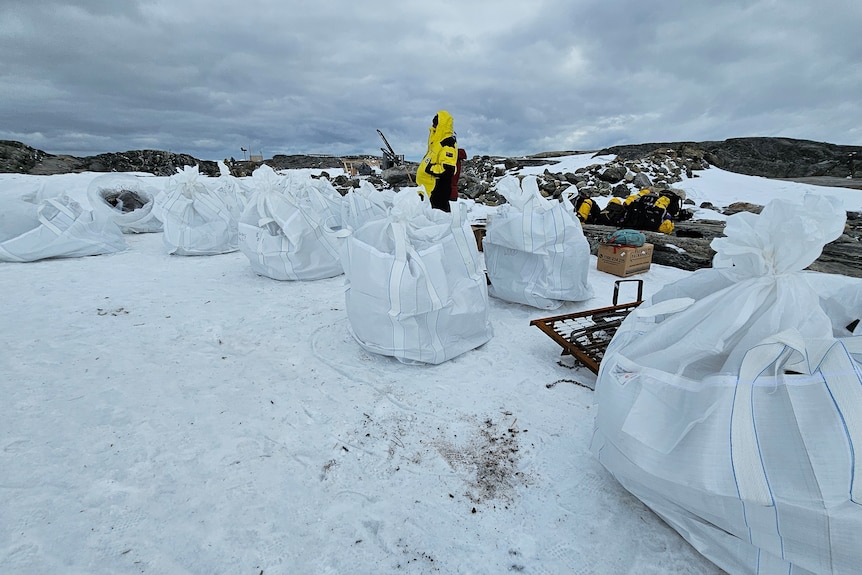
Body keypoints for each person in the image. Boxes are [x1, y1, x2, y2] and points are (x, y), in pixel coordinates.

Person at [416, 111, 458, 212]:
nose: (433, 126)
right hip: (427, 191)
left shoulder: (447, 144)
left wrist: (429, 168)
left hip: (436, 192)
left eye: (435, 124)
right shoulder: (436, 143)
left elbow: (448, 169)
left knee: (438, 222)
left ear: (441, 125)